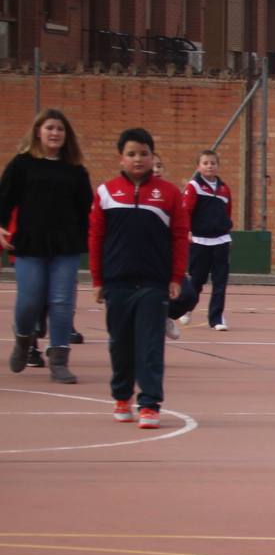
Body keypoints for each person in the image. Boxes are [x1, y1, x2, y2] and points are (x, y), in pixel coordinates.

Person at [90, 128, 188, 428]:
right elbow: (96, 237)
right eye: (131, 154)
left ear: (152, 156)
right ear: (121, 158)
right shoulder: (106, 193)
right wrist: (97, 279)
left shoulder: (170, 194)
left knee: (149, 344)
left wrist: (176, 276)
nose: (138, 159)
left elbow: (180, 236)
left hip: (153, 283)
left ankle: (149, 404)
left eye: (144, 153)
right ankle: (122, 396)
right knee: (120, 343)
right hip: (117, 282)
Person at [3, 108, 93, 384]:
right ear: (38, 132)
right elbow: (4, 198)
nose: (55, 133)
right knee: (30, 299)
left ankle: (59, 360)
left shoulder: (76, 171)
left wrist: (88, 235)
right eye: (50, 128)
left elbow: (86, 208)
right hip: (31, 242)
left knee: (62, 302)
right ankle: (22, 339)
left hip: (65, 244)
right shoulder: (21, 164)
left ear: (67, 136)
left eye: (60, 129)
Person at [170, 148, 235, 331]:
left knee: (220, 282)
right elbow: (185, 212)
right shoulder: (194, 187)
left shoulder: (224, 189)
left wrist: (227, 231)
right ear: (198, 166)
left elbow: (227, 212)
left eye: (213, 163)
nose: (209, 166)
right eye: (205, 163)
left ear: (218, 166)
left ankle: (216, 318)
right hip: (200, 241)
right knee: (197, 281)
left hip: (221, 241)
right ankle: (187, 308)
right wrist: (188, 232)